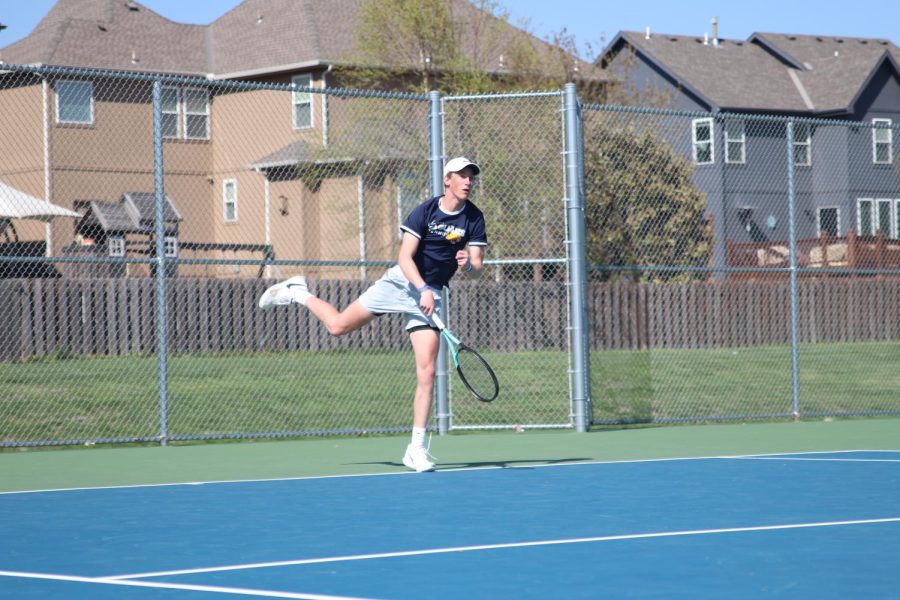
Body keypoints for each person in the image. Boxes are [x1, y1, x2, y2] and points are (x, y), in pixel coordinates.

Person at [258, 157, 488, 472]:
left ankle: (416, 449)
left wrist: (467, 266)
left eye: (471, 177)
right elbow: (404, 257)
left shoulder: (474, 218)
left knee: (428, 371)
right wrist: (420, 287)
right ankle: (298, 291)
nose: (468, 181)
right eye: (462, 175)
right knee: (337, 326)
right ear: (447, 179)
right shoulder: (425, 211)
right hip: (401, 282)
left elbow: (476, 268)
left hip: (432, 295)